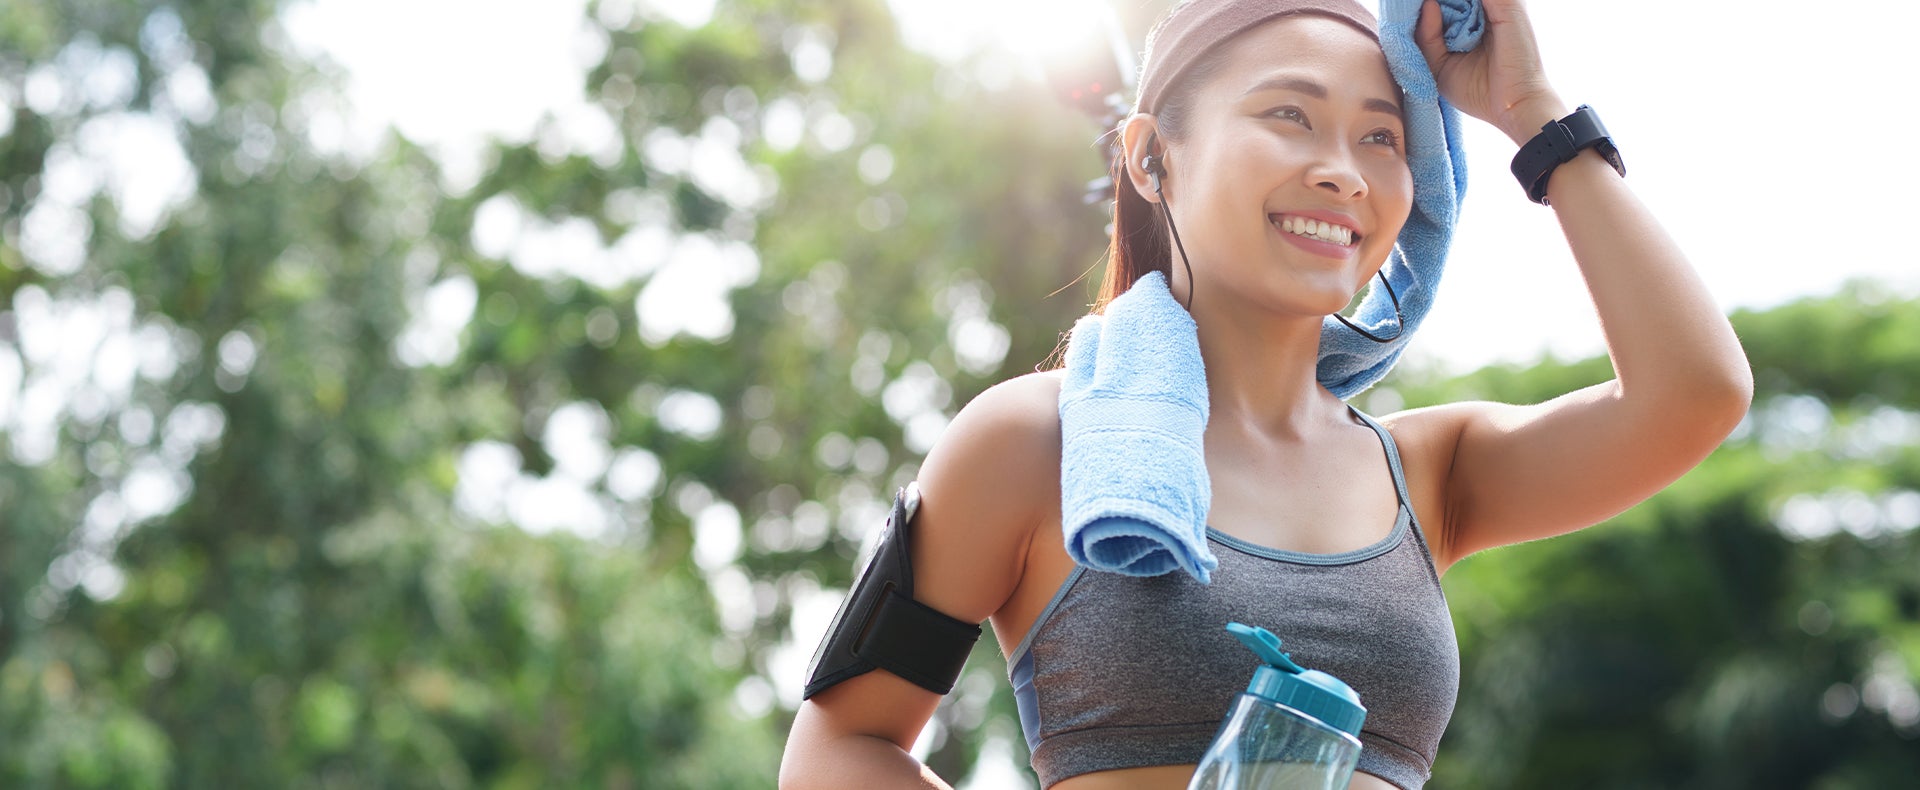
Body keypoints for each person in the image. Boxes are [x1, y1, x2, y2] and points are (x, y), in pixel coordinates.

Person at [779, 0, 1752, 787]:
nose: (1343, 171)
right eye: (1290, 114)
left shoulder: (1429, 472)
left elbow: (1695, 392)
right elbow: (839, 748)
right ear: (1153, 156)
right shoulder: (1037, 440)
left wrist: (1535, 111)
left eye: (1382, 136)